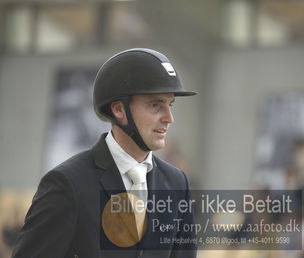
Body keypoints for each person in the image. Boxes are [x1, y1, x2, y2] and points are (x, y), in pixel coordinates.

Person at [12, 48, 197, 258]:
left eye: (170, 105)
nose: (169, 118)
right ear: (119, 110)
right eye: (156, 105)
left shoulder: (177, 183)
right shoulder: (67, 184)